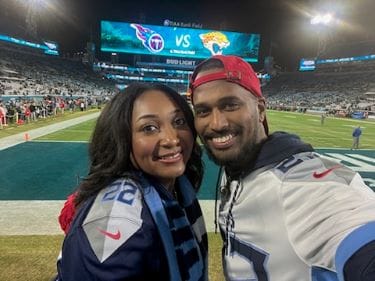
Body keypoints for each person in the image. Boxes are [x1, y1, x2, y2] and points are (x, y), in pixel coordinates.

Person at [189, 55, 375, 281]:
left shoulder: (302, 185)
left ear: (260, 109)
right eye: (203, 111)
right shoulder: (240, 168)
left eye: (230, 105)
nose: (217, 123)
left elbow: (357, 229)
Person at [56, 83, 208, 281]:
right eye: (149, 128)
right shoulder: (119, 215)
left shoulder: (173, 188)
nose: (171, 139)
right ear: (122, 138)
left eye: (179, 121)